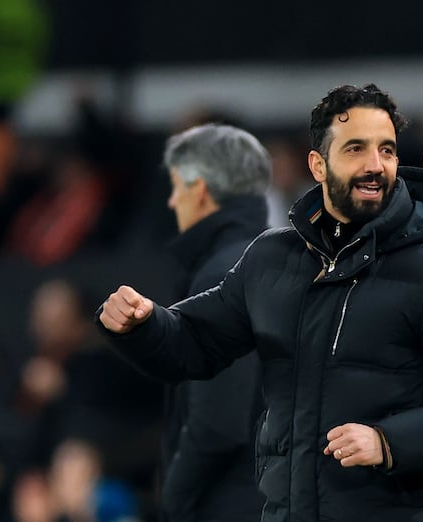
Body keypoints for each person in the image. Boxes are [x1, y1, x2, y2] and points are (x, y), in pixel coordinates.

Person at [96, 83, 423, 522]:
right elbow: (196, 341)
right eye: (356, 149)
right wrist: (142, 324)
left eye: (388, 150)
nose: (375, 165)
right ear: (318, 165)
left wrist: (389, 441)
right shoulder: (271, 259)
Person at [159, 123, 271, 521]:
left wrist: (172, 500)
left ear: (201, 190)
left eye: (176, 186)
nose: (172, 202)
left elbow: (217, 424)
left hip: (228, 502)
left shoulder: (221, 274)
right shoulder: (276, 261)